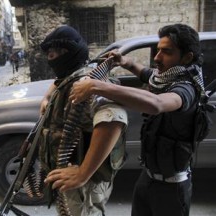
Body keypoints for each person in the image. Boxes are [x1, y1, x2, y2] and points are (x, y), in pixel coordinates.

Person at [69, 23, 204, 216]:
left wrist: (97, 87)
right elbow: (144, 72)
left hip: (172, 189)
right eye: (158, 50)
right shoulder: (164, 78)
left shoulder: (186, 89)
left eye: (166, 52)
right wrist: (124, 61)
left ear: (187, 57)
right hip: (147, 178)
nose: (157, 58)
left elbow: (156, 103)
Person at [34, 25, 128, 216]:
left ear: (67, 53)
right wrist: (46, 98)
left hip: (86, 184)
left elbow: (114, 120)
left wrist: (82, 173)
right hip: (69, 175)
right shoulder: (73, 76)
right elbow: (59, 81)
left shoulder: (89, 84)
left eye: (53, 55)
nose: (50, 59)